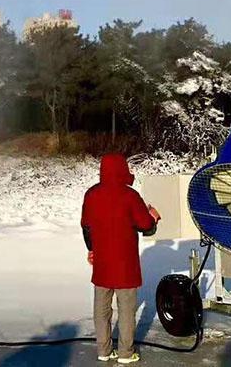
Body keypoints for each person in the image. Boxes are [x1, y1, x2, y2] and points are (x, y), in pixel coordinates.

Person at [81, 153, 161, 364]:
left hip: (102, 264)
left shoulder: (91, 195)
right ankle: (126, 353)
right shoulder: (130, 196)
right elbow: (145, 225)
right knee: (126, 311)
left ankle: (104, 350)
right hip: (126, 265)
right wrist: (153, 216)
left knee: (101, 309)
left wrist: (92, 249)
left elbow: (86, 227)